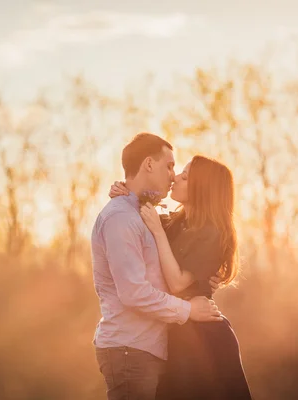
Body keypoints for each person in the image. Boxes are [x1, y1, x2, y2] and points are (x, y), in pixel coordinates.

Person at [91, 133, 224, 400]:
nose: (173, 175)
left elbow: (179, 258)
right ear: (149, 164)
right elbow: (133, 293)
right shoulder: (121, 218)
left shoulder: (143, 214)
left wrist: (202, 278)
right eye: (170, 166)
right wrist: (188, 310)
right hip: (130, 349)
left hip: (146, 348)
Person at [109, 154, 252, 400]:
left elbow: (176, 283)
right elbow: (138, 227)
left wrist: (157, 230)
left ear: (201, 189)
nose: (175, 178)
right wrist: (123, 194)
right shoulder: (175, 222)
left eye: (185, 177)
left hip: (204, 339)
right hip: (177, 331)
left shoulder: (212, 233)